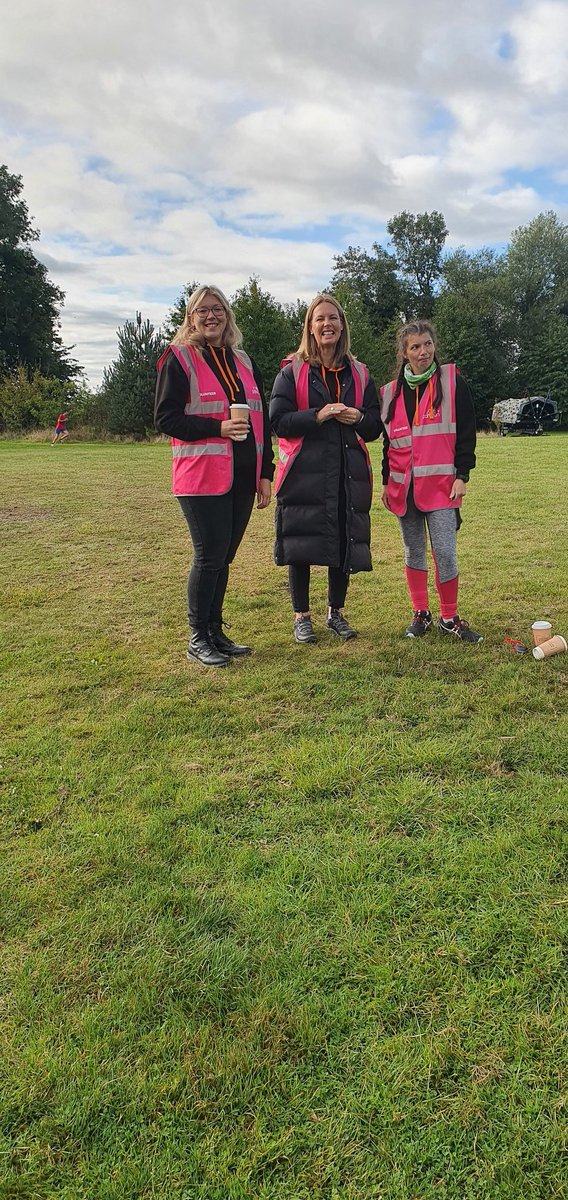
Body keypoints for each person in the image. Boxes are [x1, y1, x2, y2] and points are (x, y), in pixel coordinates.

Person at [155, 284, 274, 667]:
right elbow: (166, 419)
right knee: (208, 557)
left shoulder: (243, 360)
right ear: (191, 317)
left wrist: (265, 472)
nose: (211, 316)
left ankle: (215, 630)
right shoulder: (179, 358)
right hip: (201, 477)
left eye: (217, 309)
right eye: (202, 310)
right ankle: (197, 636)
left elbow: (261, 419)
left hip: (242, 476)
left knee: (224, 557)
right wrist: (217, 427)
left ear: (228, 315)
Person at [269, 294, 382, 644]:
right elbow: (277, 421)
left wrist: (358, 417)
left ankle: (336, 612)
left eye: (333, 317)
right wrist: (317, 416)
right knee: (300, 544)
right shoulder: (292, 371)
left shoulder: (360, 372)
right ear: (310, 326)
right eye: (319, 319)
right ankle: (301, 616)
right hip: (304, 472)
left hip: (347, 471)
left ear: (342, 324)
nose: (327, 324)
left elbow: (376, 425)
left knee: (342, 541)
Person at [380, 319, 482, 642]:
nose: (423, 352)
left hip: (442, 486)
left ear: (434, 346)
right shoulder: (390, 393)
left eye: (427, 344)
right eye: (415, 347)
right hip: (403, 488)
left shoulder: (452, 382)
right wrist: (386, 481)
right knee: (413, 551)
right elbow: (388, 443)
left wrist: (463, 474)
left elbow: (467, 430)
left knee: (445, 552)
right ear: (404, 353)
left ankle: (449, 617)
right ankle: (421, 613)